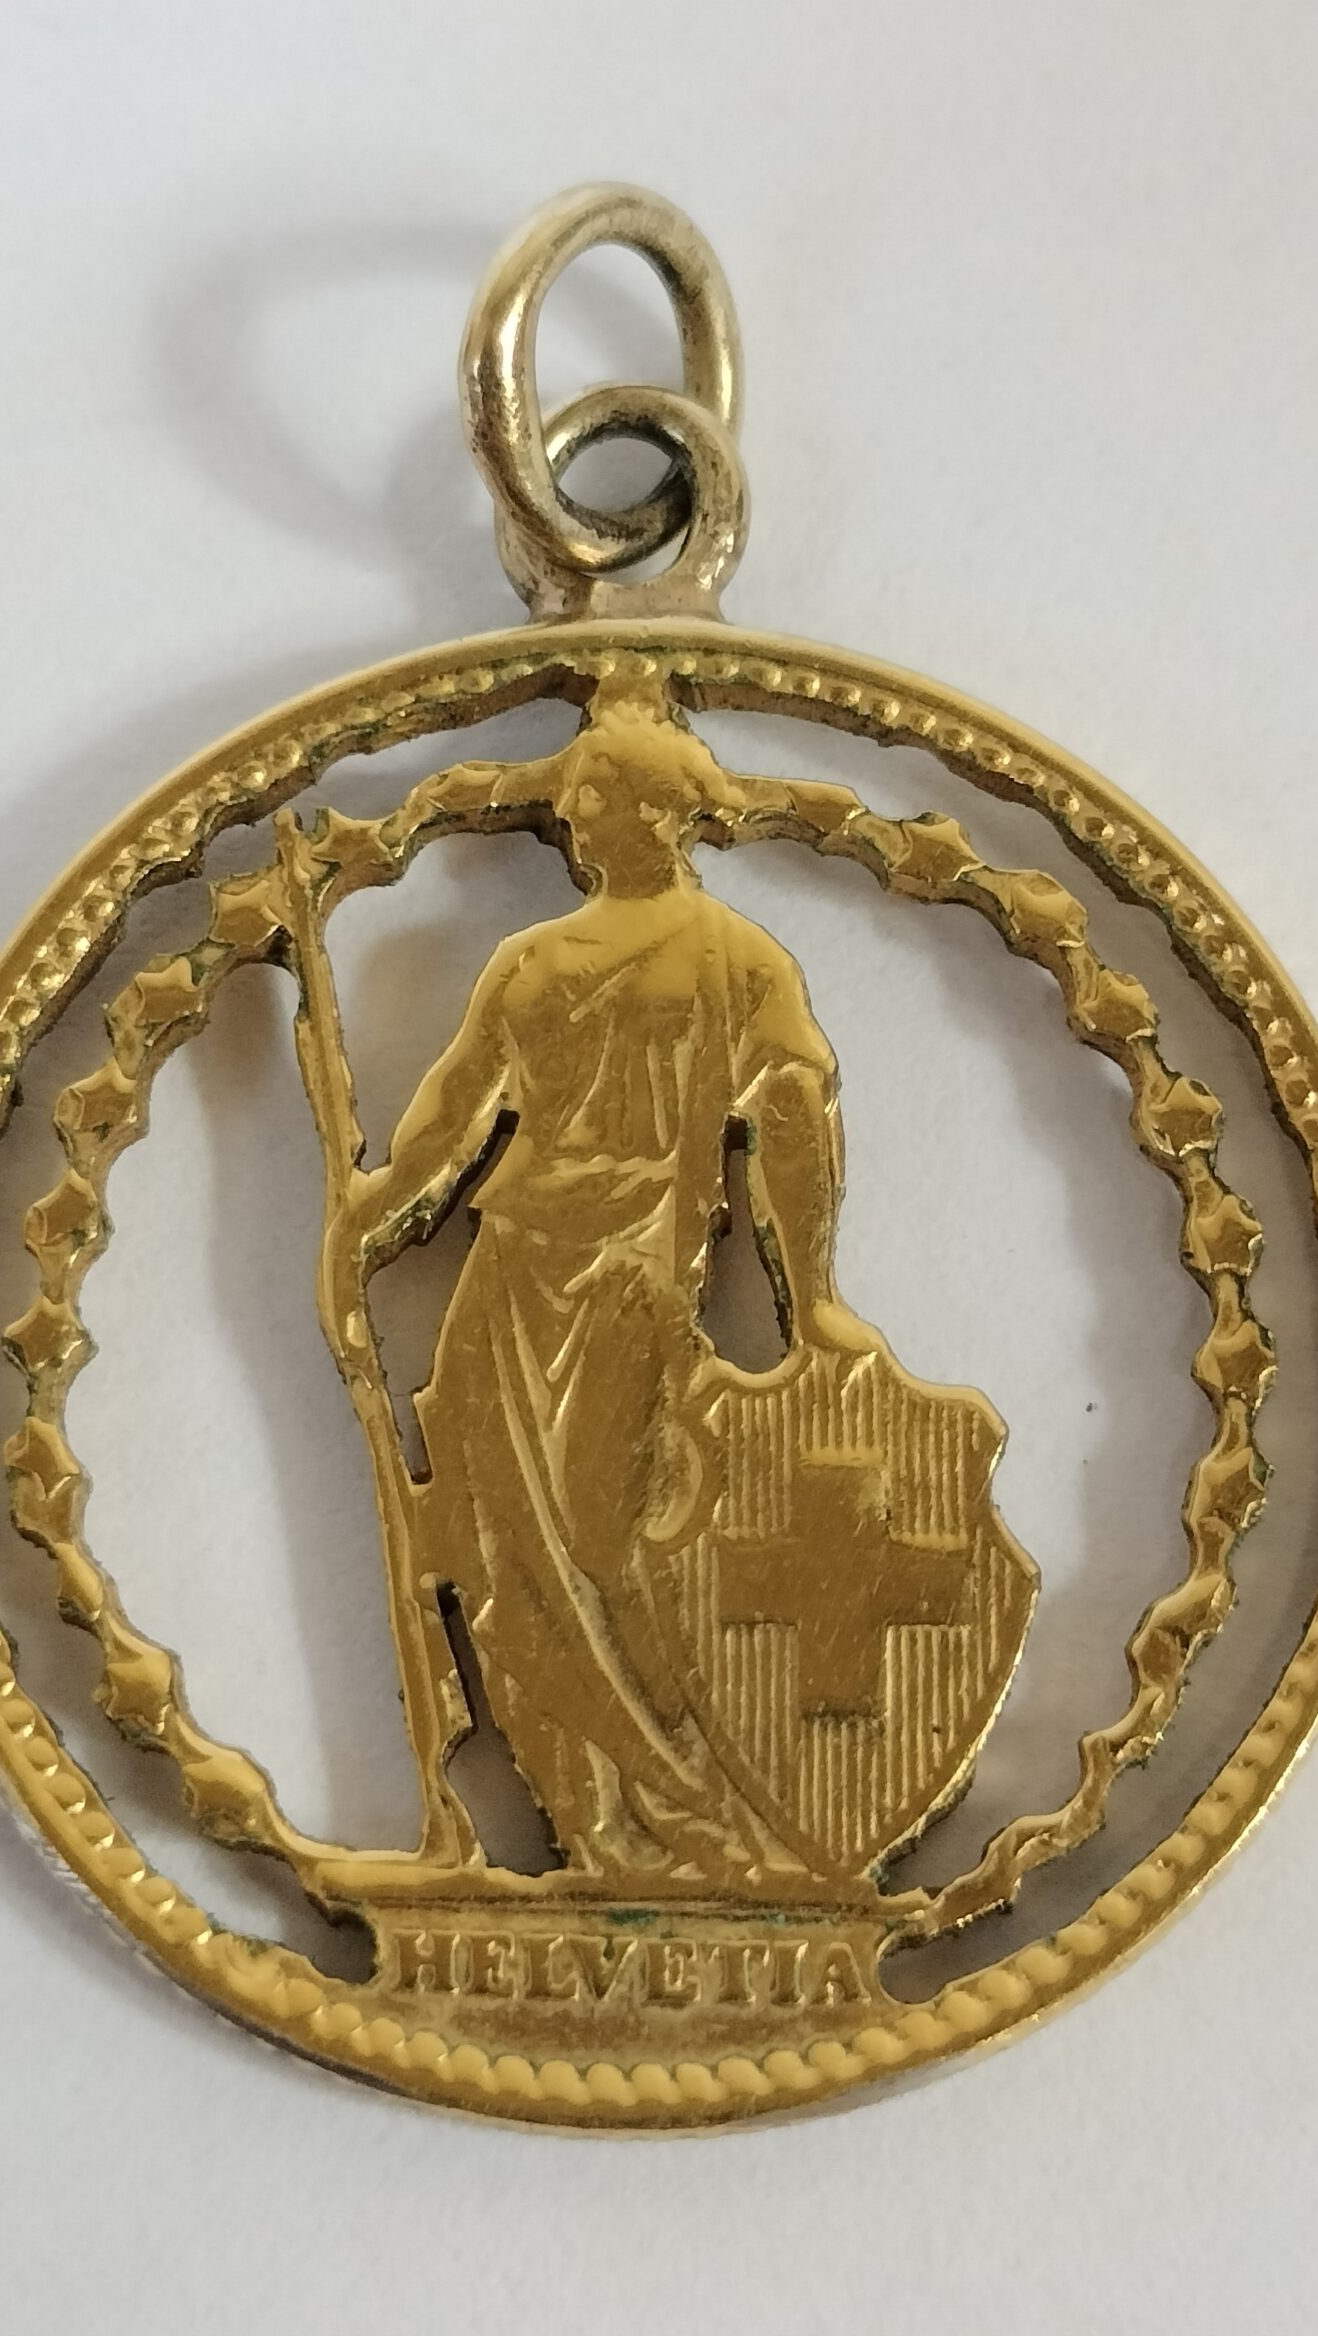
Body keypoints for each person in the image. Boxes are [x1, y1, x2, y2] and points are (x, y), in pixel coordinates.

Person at [336, 689, 876, 1882]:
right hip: (510, 1272)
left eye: (596, 796)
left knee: (599, 1534)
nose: (575, 816)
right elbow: (453, 1104)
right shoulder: (528, 959)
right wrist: (372, 1214)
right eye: (573, 798)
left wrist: (813, 1296)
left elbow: (792, 1118)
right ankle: (588, 1827)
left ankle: (691, 1804)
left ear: (659, 813)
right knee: (496, 1550)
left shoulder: (737, 958)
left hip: (632, 1278)